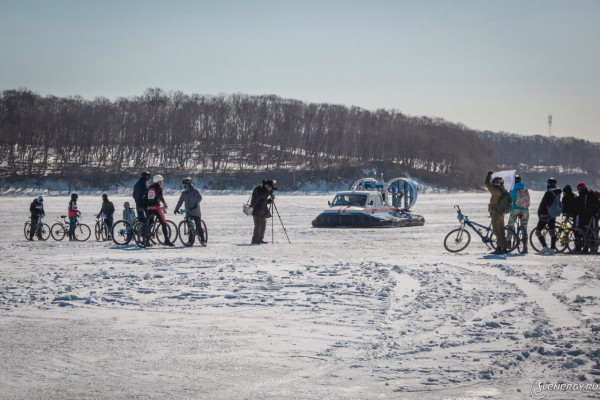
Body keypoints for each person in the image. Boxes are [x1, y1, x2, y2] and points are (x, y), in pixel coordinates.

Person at [174, 177, 206, 246]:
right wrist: (176, 209)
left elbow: (200, 198)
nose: (184, 186)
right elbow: (180, 202)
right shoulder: (184, 193)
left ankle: (203, 240)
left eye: (186, 185)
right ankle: (190, 241)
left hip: (196, 211)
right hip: (188, 211)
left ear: (189, 184)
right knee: (190, 227)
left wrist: (196, 204)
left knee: (198, 225)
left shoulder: (195, 191)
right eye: (184, 185)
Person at [534, 178, 562, 255]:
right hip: (553, 215)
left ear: (549, 184)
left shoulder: (548, 193)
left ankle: (545, 247)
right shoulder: (558, 192)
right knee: (552, 231)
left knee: (538, 231)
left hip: (545, 215)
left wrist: (540, 214)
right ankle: (552, 248)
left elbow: (544, 205)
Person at [145, 174, 175, 247]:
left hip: (149, 208)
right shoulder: (158, 188)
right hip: (156, 208)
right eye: (161, 181)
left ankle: (147, 241)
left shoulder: (149, 187)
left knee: (149, 224)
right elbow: (160, 196)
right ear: (158, 181)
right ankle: (167, 241)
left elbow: (146, 197)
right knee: (163, 223)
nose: (162, 182)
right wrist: (164, 203)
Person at [485, 171, 509, 254]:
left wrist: (489, 175)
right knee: (502, 231)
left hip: (496, 212)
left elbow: (487, 184)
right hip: (501, 213)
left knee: (496, 231)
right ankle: (504, 248)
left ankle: (499, 248)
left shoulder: (495, 191)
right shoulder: (504, 191)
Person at [507, 175, 530, 253]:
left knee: (510, 224)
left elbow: (511, 199)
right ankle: (525, 247)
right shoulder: (524, 188)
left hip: (515, 209)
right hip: (525, 210)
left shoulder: (513, 188)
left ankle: (508, 242)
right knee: (524, 228)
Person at [576, 182, 600, 253]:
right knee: (585, 232)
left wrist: (592, 212)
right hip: (585, 216)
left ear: (581, 189)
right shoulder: (582, 195)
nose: (578, 191)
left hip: (591, 216)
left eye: (578, 189)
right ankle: (586, 248)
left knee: (592, 231)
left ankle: (594, 248)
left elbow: (595, 204)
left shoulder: (588, 194)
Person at [250, 179, 275, 244]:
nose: (268, 187)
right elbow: (260, 196)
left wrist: (270, 200)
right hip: (256, 209)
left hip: (263, 210)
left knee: (263, 225)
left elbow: (264, 202)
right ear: (265, 184)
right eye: (268, 186)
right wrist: (268, 191)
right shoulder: (258, 189)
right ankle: (255, 240)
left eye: (269, 187)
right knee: (258, 225)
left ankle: (260, 239)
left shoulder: (265, 190)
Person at [133, 171, 151, 236]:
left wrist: (137, 200)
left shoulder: (137, 183)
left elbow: (134, 195)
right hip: (143, 204)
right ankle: (144, 235)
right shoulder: (142, 184)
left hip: (138, 204)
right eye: (148, 177)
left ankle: (142, 236)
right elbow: (145, 194)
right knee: (146, 220)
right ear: (146, 177)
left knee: (141, 219)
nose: (149, 179)